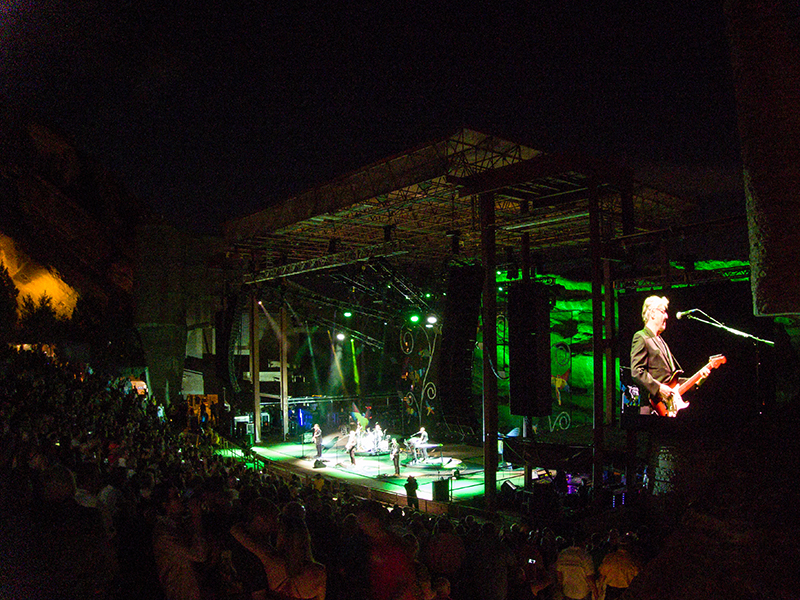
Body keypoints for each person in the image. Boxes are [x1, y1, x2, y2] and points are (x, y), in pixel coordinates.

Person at [630, 295, 710, 417]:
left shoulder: (662, 341)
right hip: (654, 408)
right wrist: (659, 388)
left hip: (669, 409)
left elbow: (672, 381)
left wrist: (698, 380)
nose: (667, 316)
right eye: (663, 312)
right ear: (652, 314)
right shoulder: (641, 337)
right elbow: (636, 371)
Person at [555, 532, 598, 600]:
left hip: (567, 592)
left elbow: (559, 574)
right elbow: (590, 577)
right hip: (582, 593)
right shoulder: (585, 556)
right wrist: (595, 592)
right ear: (584, 542)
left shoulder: (563, 554)